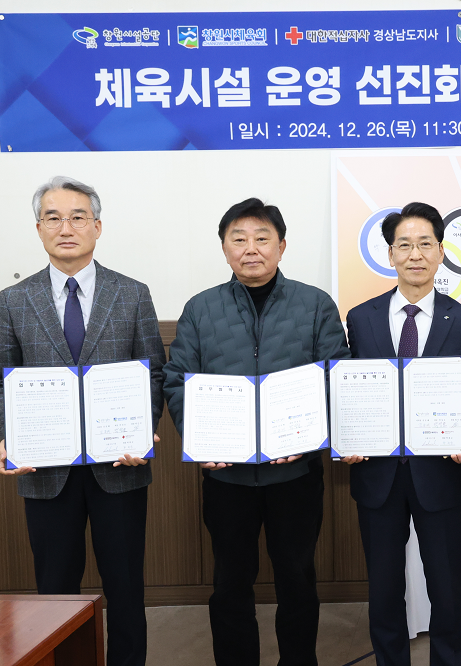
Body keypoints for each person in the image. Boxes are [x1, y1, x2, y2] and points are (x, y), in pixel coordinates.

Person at [0, 176, 165, 666]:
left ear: (97, 227)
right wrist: (12, 435)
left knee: (126, 587)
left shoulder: (132, 294)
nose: (66, 228)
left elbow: (153, 373)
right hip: (46, 471)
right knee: (54, 591)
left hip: (119, 467)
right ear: (39, 229)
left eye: (78, 217)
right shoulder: (13, 300)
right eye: (53, 217)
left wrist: (143, 430)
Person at [162, 198, 349, 666]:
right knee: (230, 582)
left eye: (262, 238)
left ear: (281, 246)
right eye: (239, 239)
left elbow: (336, 375)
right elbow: (177, 378)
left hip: (296, 474)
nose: (251, 249)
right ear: (224, 248)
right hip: (226, 475)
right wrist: (200, 440)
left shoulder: (314, 304)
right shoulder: (201, 308)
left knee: (297, 579)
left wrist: (309, 436)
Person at [343, 202, 461, 666]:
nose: (415, 254)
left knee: (446, 589)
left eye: (425, 244)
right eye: (404, 245)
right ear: (390, 254)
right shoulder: (360, 318)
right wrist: (346, 438)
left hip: (441, 474)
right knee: (384, 590)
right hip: (377, 476)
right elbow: (348, 389)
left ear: (441, 252)